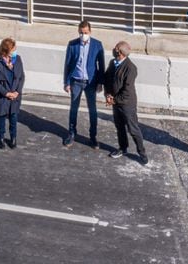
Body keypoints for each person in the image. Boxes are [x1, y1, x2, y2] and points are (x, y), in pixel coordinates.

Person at [103, 41, 148, 164]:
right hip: (115, 102)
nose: (114, 49)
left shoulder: (130, 68)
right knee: (119, 127)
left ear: (121, 52)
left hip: (127, 104)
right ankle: (123, 148)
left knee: (133, 129)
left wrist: (113, 100)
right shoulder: (113, 63)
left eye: (116, 48)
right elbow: (107, 79)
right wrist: (107, 94)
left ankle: (142, 153)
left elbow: (127, 91)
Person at [62, 20, 105, 148]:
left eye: (85, 32)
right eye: (81, 33)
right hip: (75, 81)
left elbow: (101, 66)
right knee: (73, 108)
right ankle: (71, 133)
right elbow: (67, 64)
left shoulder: (97, 45)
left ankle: (93, 136)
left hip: (90, 82)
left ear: (90, 32)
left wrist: (100, 83)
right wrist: (66, 82)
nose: (83, 35)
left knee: (92, 110)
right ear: (78, 32)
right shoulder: (72, 45)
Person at [0, 38, 25, 150]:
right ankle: (1, 137)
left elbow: (22, 77)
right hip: (2, 96)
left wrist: (17, 91)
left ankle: (13, 138)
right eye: (13, 49)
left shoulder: (18, 59)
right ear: (6, 51)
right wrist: (7, 93)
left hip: (15, 95)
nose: (15, 51)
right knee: (1, 117)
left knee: (13, 117)